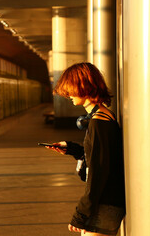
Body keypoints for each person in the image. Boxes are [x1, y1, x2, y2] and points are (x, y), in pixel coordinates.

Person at [48, 62, 125, 236]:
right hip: (106, 200)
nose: (68, 95)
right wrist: (73, 149)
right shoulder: (104, 115)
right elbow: (100, 156)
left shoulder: (99, 122)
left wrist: (81, 214)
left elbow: (98, 173)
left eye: (70, 89)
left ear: (84, 86)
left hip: (105, 203)